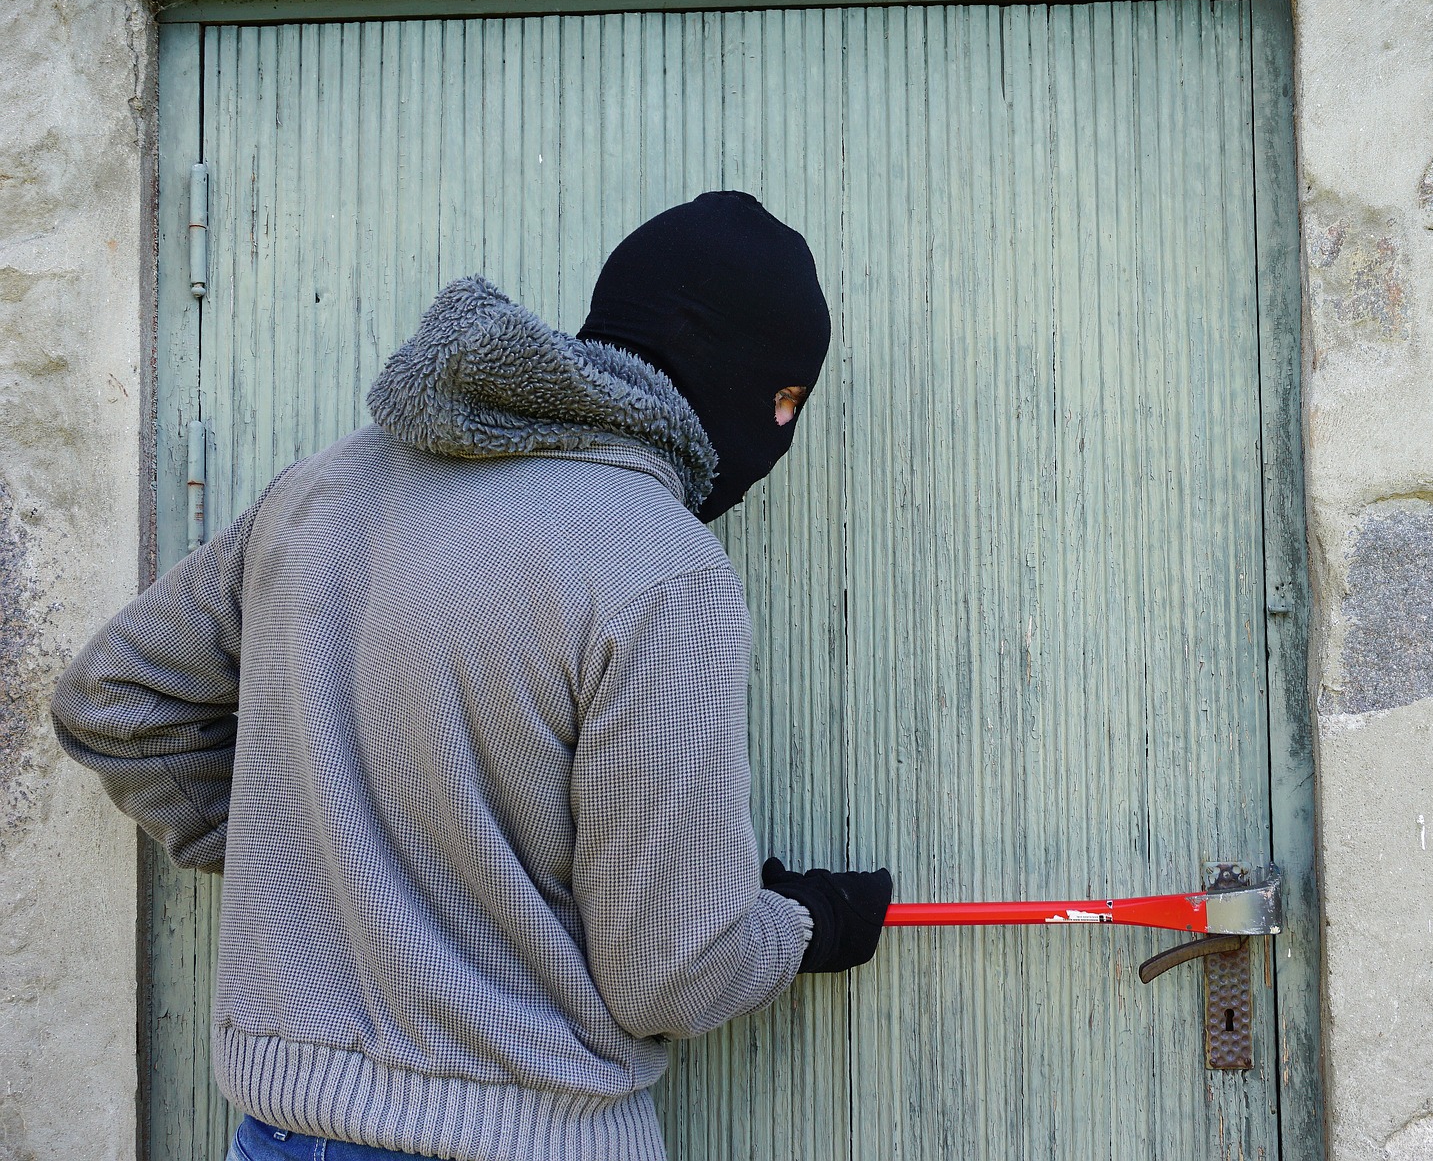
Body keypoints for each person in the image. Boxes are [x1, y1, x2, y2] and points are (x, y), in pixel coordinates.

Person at [52, 191, 891, 1161]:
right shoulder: (664, 567)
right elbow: (670, 974)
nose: (777, 435)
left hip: (280, 1132)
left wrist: (325, 850)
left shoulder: (324, 488)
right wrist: (806, 922)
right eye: (784, 399)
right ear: (725, 368)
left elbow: (116, 698)